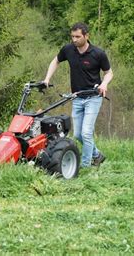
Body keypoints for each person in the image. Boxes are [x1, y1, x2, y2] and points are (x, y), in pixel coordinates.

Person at [43, 22, 113, 167]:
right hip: (76, 97)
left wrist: (104, 84)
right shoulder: (68, 50)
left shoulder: (98, 54)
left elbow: (109, 73)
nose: (74, 40)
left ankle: (86, 165)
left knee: (86, 133)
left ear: (86, 36)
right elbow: (55, 61)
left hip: (93, 98)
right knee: (78, 135)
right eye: (72, 36)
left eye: (77, 37)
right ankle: (97, 154)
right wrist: (47, 78)